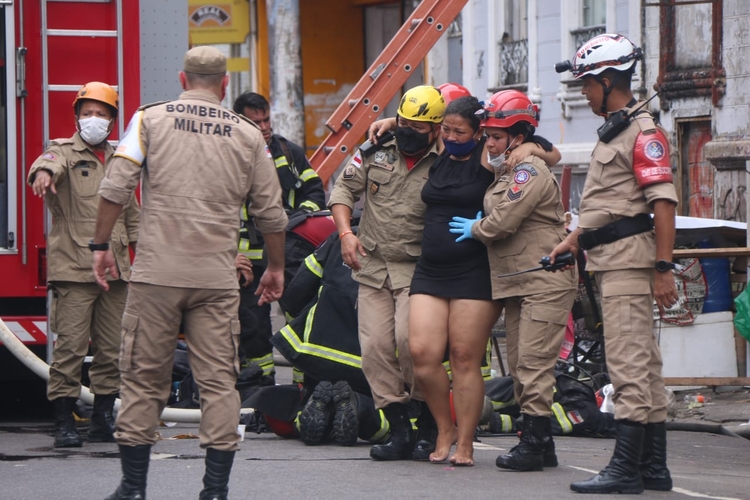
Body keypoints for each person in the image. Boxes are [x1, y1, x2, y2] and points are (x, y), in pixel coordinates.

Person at [91, 46, 288, 500]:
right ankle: (214, 491)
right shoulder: (247, 135)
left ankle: (133, 489)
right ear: (223, 85)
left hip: (156, 274)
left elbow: (115, 187)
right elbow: (271, 214)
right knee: (220, 383)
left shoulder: (149, 119)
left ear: (183, 79)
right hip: (216, 279)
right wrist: (274, 267)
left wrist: (101, 246)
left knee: (142, 379)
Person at [550, 33, 677, 494]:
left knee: (627, 367)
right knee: (643, 365)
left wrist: (663, 269)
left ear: (608, 79)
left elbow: (662, 204)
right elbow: (611, 205)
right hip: (612, 259)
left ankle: (626, 469)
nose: (583, 93)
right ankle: (654, 469)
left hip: (630, 264)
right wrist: (573, 240)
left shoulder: (642, 133)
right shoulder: (621, 129)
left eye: (587, 84)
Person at [448, 90, 577, 471]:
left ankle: (534, 442)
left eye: (497, 136)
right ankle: (541, 441)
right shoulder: (506, 167)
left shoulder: (527, 171)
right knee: (522, 365)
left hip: (543, 280)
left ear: (518, 139)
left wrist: (478, 228)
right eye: (487, 134)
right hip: (521, 281)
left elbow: (504, 220)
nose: (488, 142)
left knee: (533, 365)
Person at [328, 84, 446, 461]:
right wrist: (346, 233)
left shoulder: (449, 159)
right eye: (405, 123)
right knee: (375, 349)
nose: (408, 132)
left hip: (419, 269)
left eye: (418, 127)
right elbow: (342, 192)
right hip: (373, 266)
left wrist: (396, 120)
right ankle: (399, 430)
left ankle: (427, 424)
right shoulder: (376, 150)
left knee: (413, 347)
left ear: (438, 129)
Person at [27, 82, 139, 448]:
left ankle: (103, 418)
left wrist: (145, 256)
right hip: (74, 268)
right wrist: (42, 175)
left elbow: (132, 214)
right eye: (87, 113)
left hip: (115, 270)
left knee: (111, 349)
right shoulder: (63, 151)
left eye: (101, 114)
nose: (94, 119)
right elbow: (47, 165)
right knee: (71, 348)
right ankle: (63, 421)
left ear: (112, 120)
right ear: (77, 117)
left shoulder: (121, 159)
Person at [231, 91, 326, 384]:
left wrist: (299, 220)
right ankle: (261, 392)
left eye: (266, 119)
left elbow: (314, 191)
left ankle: (302, 389)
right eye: (255, 121)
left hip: (289, 255)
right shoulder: (229, 155)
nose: (263, 127)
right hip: (249, 262)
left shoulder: (289, 152)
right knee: (252, 328)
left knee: (300, 320)